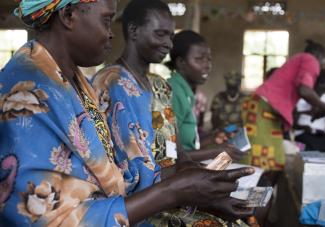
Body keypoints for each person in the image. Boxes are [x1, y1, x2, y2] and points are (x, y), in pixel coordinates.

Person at [0, 0, 254, 226]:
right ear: (68, 15)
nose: (111, 34)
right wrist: (175, 191)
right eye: (107, 20)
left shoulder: (71, 82)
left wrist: (193, 186)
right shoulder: (26, 92)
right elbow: (49, 217)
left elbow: (124, 176)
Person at [91, 0, 254, 225]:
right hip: (140, 206)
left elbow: (178, 156)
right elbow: (133, 176)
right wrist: (199, 193)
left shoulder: (160, 87)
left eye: (170, 36)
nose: (168, 44)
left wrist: (214, 183)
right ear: (133, 31)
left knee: (245, 218)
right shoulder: (111, 83)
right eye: (160, 35)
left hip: (175, 192)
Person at [241, 39, 325, 171]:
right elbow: (304, 90)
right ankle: (250, 189)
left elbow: (299, 92)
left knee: (276, 161)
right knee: (260, 162)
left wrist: (317, 108)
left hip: (264, 108)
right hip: (262, 108)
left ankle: (265, 190)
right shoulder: (310, 60)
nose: (319, 68)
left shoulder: (299, 59)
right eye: (323, 62)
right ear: (320, 57)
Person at [166, 30, 245, 161]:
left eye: (209, 59)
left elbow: (187, 146)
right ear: (181, 63)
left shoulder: (187, 93)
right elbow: (169, 153)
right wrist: (217, 152)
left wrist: (213, 137)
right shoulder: (173, 92)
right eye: (199, 59)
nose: (207, 65)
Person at [293, 68, 325, 152]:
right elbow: (293, 125)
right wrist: (305, 127)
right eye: (321, 83)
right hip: (300, 136)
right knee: (302, 151)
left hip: (321, 137)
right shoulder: (299, 99)